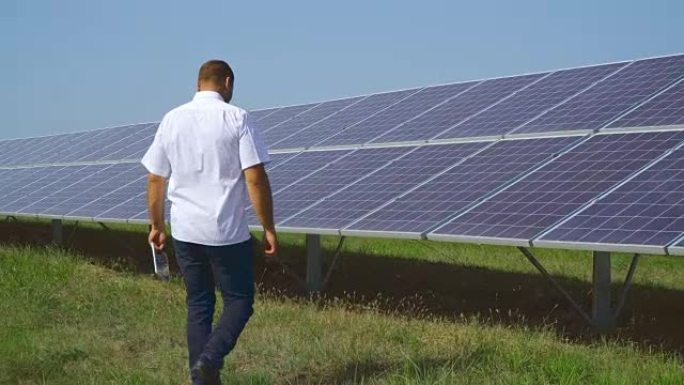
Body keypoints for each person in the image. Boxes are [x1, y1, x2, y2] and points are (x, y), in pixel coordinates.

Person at [141, 59, 278, 385]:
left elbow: (156, 180)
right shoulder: (237, 117)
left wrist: (156, 226)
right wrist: (268, 227)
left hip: (186, 230)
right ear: (227, 82)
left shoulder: (172, 119)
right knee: (240, 302)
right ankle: (209, 360)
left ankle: (202, 377)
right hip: (226, 232)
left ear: (198, 83)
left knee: (199, 304)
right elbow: (255, 177)